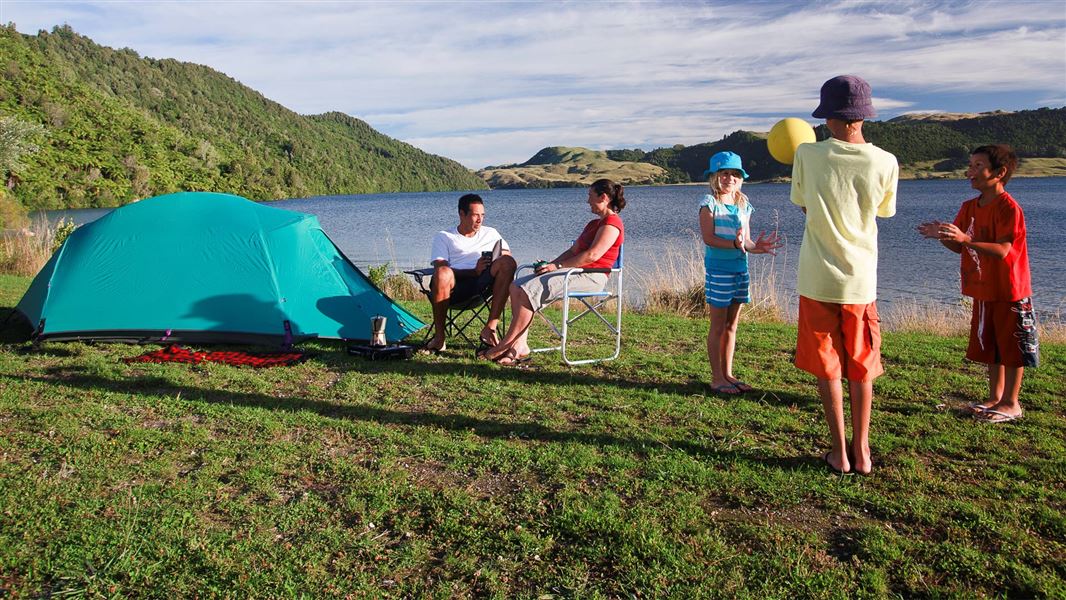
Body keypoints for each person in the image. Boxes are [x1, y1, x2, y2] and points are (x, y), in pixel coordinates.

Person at [791, 75, 898, 475]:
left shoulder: (807, 154)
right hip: (860, 280)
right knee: (861, 366)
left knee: (827, 366)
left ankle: (839, 453)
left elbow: (805, 207)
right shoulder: (886, 161)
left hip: (817, 277)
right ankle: (864, 451)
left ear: (832, 116)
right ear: (862, 116)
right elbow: (880, 214)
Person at [917, 144, 1038, 423]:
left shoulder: (1009, 208)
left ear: (999, 172)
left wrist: (964, 239)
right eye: (970, 165)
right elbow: (960, 248)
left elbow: (1004, 249)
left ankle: (1011, 402)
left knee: (1012, 347)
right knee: (991, 344)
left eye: (977, 166)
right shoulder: (969, 207)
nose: (969, 171)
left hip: (1009, 289)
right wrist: (945, 237)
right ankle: (994, 398)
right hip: (983, 289)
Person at [478, 178, 625, 365]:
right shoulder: (593, 224)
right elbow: (573, 251)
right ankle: (520, 346)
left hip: (592, 276)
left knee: (527, 290)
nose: (587, 200)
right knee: (516, 286)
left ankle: (505, 345)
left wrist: (557, 267)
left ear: (603, 197)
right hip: (574, 272)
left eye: (590, 196)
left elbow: (592, 256)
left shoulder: (612, 223)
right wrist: (550, 265)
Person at [698, 151, 782, 395]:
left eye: (735, 174)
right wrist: (737, 244)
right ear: (714, 177)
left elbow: (745, 242)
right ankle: (717, 379)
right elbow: (709, 239)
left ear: (741, 178)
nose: (730, 178)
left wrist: (758, 248)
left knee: (732, 326)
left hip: (740, 270)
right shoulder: (709, 203)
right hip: (719, 271)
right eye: (724, 173)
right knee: (717, 326)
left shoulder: (744, 205)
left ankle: (729, 374)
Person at [425, 193, 517, 353]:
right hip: (453, 289)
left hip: (483, 287)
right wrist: (473, 271)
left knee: (508, 263)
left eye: (482, 215)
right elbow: (440, 268)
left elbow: (507, 256)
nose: (480, 220)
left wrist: (493, 263)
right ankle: (440, 338)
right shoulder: (444, 237)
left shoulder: (491, 233)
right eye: (475, 215)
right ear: (462, 214)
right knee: (443, 273)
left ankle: (490, 329)